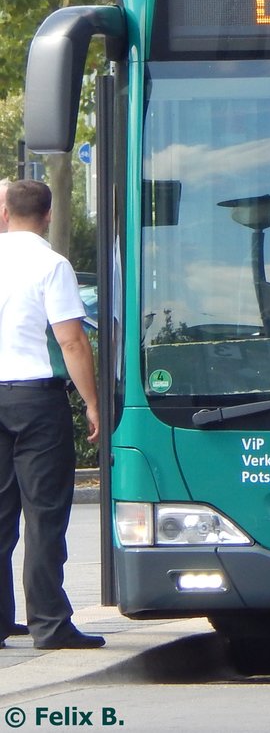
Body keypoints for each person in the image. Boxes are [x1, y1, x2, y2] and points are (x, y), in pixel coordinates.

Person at [0, 180, 105, 650]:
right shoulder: (52, 265)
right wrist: (93, 401)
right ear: (48, 215)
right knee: (44, 514)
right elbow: (71, 340)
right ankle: (49, 622)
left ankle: (1, 621)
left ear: (5, 212)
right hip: (34, 400)